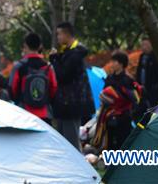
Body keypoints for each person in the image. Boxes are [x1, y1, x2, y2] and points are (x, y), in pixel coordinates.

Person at [49, 22, 92, 151]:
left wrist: (54, 60)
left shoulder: (76, 54)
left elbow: (63, 75)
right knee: (62, 140)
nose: (58, 37)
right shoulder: (70, 52)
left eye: (59, 34)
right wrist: (57, 58)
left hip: (71, 104)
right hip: (65, 104)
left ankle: (79, 170)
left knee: (71, 142)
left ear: (67, 34)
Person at [93, 52, 141, 151]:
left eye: (114, 61)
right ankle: (110, 164)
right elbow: (104, 93)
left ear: (121, 64)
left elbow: (134, 99)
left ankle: (121, 164)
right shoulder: (109, 78)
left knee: (122, 142)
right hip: (109, 115)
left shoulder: (128, 80)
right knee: (109, 141)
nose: (112, 64)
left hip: (124, 116)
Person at [10, 33, 57, 122]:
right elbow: (54, 88)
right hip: (44, 113)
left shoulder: (19, 66)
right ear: (40, 46)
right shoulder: (48, 67)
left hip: (24, 112)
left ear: (25, 45)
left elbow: (12, 88)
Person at [135, 36, 158, 107]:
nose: (144, 47)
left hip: (152, 88)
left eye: (146, 45)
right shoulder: (141, 57)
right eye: (142, 45)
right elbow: (139, 71)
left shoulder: (156, 56)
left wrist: (156, 86)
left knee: (153, 106)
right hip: (142, 87)